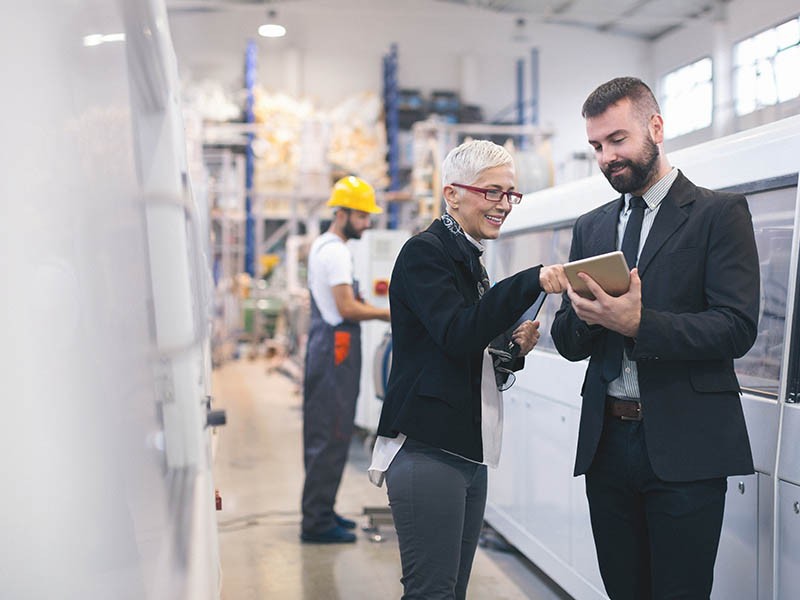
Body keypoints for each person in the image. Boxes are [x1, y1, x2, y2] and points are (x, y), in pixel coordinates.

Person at [551, 77, 760, 599]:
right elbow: (569, 340)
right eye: (596, 146)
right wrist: (587, 316)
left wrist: (640, 325)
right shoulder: (591, 228)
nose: (606, 157)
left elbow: (736, 326)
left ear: (656, 127)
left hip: (685, 447)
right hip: (608, 445)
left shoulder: (718, 214)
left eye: (617, 140)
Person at [368, 139, 568, 599]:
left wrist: (512, 350)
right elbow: (457, 333)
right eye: (492, 192)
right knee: (432, 592)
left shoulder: (469, 259)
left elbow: (470, 351)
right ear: (452, 194)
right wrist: (529, 280)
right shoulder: (426, 253)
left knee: (451, 591)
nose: (503, 205)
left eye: (510, 194)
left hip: (466, 452)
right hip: (427, 449)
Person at [300, 175, 390, 544]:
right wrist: (389, 314)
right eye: (362, 216)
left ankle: (323, 509)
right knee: (332, 433)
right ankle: (317, 522)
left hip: (329, 345)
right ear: (343, 213)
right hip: (336, 346)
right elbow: (346, 307)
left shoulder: (324, 244)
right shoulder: (335, 252)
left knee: (329, 431)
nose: (368, 224)